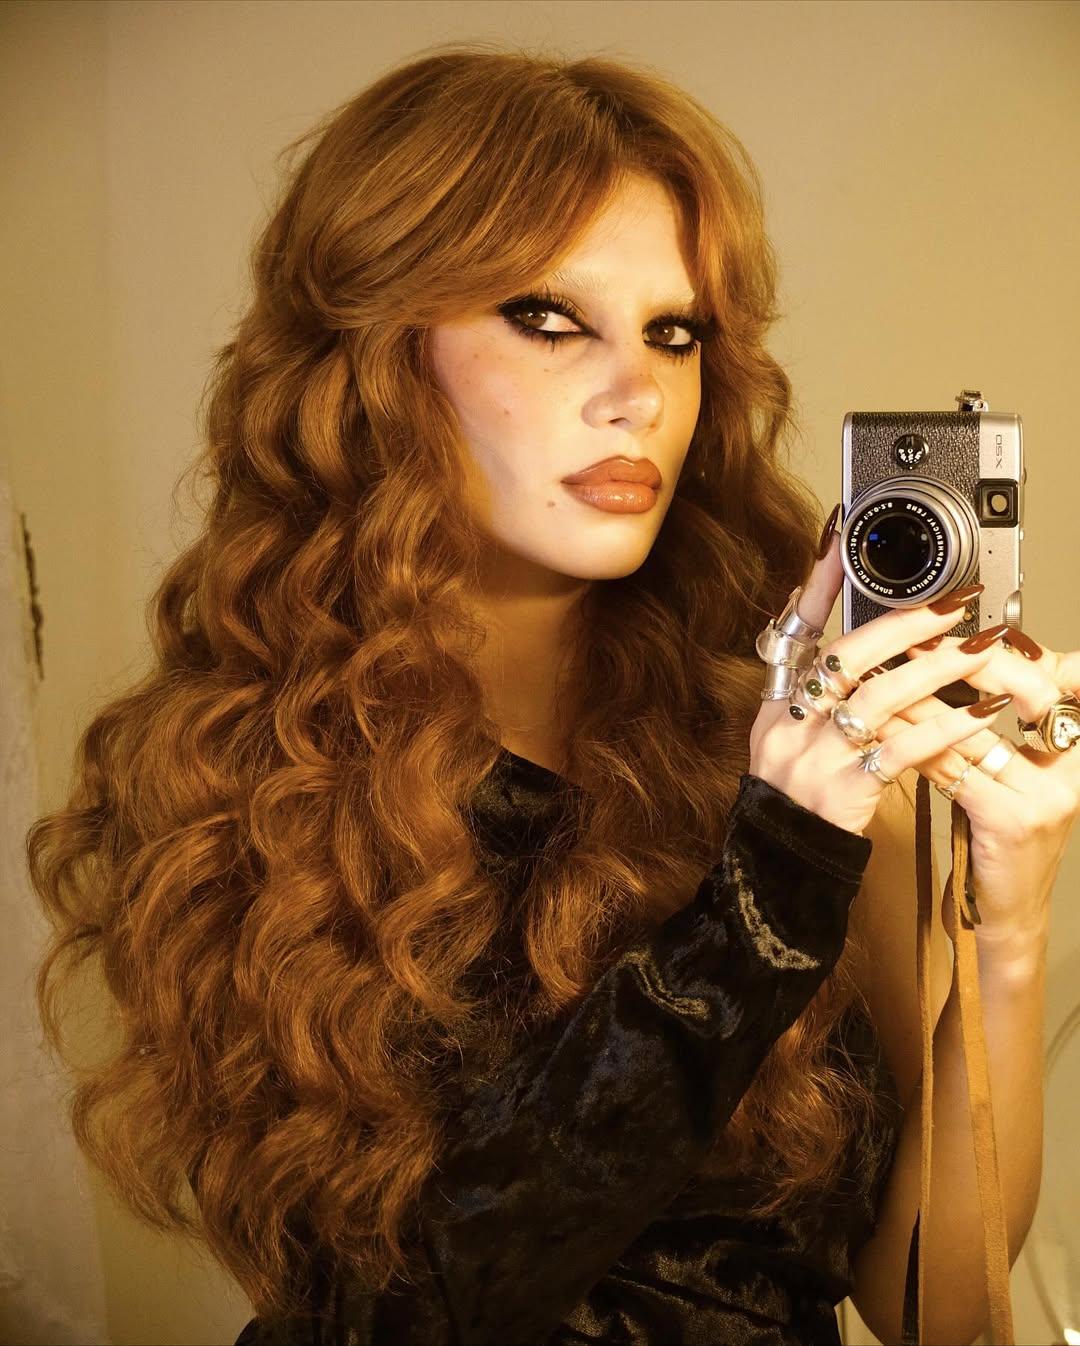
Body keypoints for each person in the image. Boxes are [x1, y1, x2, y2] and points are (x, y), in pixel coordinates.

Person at [26, 40, 1079, 1346]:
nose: (637, 395)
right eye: (547, 320)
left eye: (674, 334)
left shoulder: (790, 739)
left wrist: (1007, 925)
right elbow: (415, 1305)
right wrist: (766, 891)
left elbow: (937, 1308)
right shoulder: (240, 770)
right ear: (378, 354)